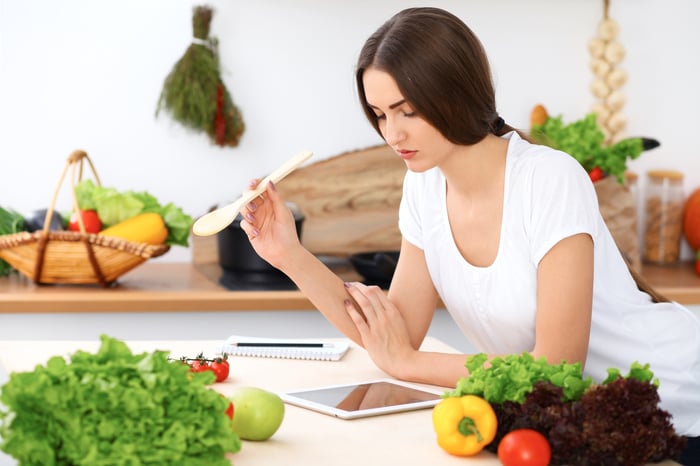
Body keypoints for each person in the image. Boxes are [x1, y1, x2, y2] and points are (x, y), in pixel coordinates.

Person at [238, 6, 700, 462]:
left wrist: (407, 364)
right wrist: (289, 255)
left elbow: (556, 371)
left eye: (408, 111)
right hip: (584, 426)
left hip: (679, 403)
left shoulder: (548, 179)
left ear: (456, 95)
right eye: (380, 115)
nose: (392, 134)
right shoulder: (423, 184)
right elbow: (393, 331)